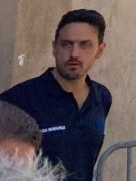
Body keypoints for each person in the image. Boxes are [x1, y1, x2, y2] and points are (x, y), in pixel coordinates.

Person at [1, 10, 112, 181]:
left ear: (100, 50)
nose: (74, 53)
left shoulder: (102, 97)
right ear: (54, 47)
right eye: (66, 44)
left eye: (85, 45)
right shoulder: (16, 101)